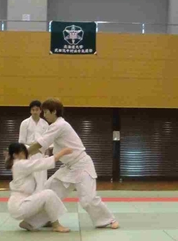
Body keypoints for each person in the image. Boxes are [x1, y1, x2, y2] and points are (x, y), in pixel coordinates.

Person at [28, 98, 119, 229]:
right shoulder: (55, 126)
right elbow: (43, 146)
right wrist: (22, 154)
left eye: (46, 112)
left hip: (82, 165)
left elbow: (39, 144)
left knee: (88, 199)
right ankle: (43, 219)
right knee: (49, 190)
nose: (44, 115)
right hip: (68, 167)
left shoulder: (60, 125)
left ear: (54, 112)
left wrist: (21, 154)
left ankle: (108, 220)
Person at [6, 142, 73, 232]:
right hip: (19, 206)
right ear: (15, 155)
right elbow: (42, 163)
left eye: (24, 152)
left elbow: (30, 153)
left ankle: (29, 223)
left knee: (43, 197)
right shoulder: (20, 164)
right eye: (21, 153)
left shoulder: (18, 163)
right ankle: (56, 225)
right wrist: (63, 152)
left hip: (21, 203)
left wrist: (42, 147)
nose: (24, 155)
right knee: (48, 194)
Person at [18, 100, 51, 192]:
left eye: (37, 110)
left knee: (41, 178)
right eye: (33, 110)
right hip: (29, 152)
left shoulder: (45, 124)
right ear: (30, 111)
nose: (35, 112)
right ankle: (28, 196)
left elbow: (47, 141)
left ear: (40, 111)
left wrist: (47, 155)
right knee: (29, 177)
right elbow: (21, 141)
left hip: (41, 153)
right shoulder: (25, 123)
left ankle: (40, 196)